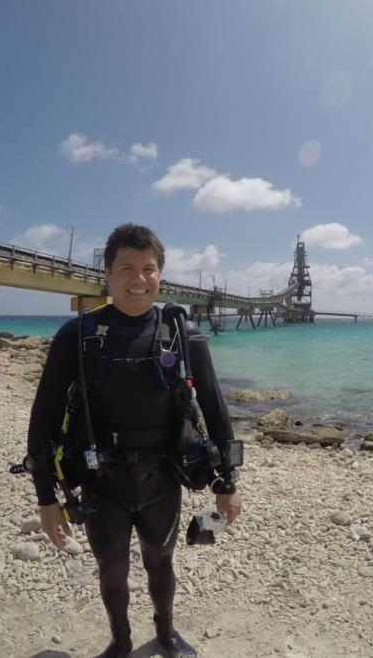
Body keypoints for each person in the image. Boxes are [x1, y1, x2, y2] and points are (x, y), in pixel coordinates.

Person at [27, 223, 243, 658]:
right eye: (126, 268)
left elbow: (217, 411)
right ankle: (120, 642)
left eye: (148, 269)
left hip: (162, 477)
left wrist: (229, 483)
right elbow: (44, 418)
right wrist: (46, 497)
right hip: (100, 479)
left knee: (160, 561)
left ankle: (165, 634)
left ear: (160, 274)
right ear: (106, 273)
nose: (138, 279)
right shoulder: (77, 336)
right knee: (111, 567)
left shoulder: (183, 335)